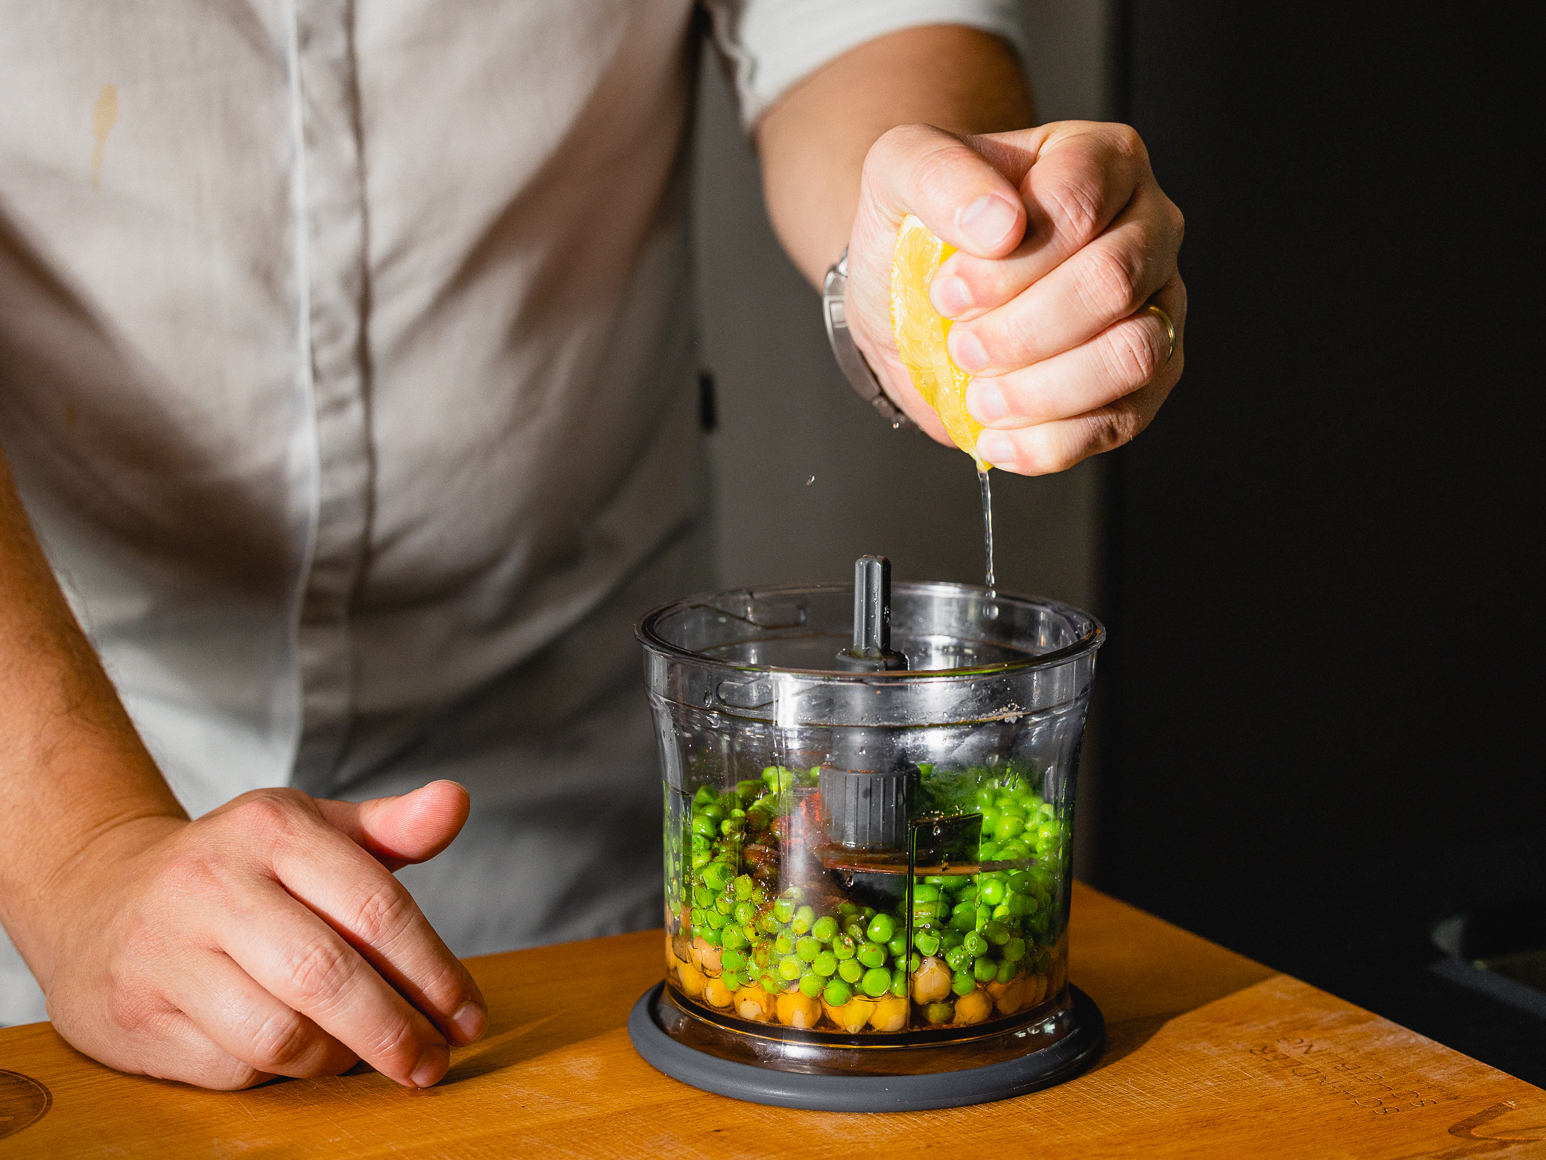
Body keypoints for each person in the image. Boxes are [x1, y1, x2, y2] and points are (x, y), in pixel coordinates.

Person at [0, 2, 1184, 1091]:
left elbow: (863, 30)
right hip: (55, 793)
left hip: (599, 839)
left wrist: (963, 242)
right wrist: (84, 859)